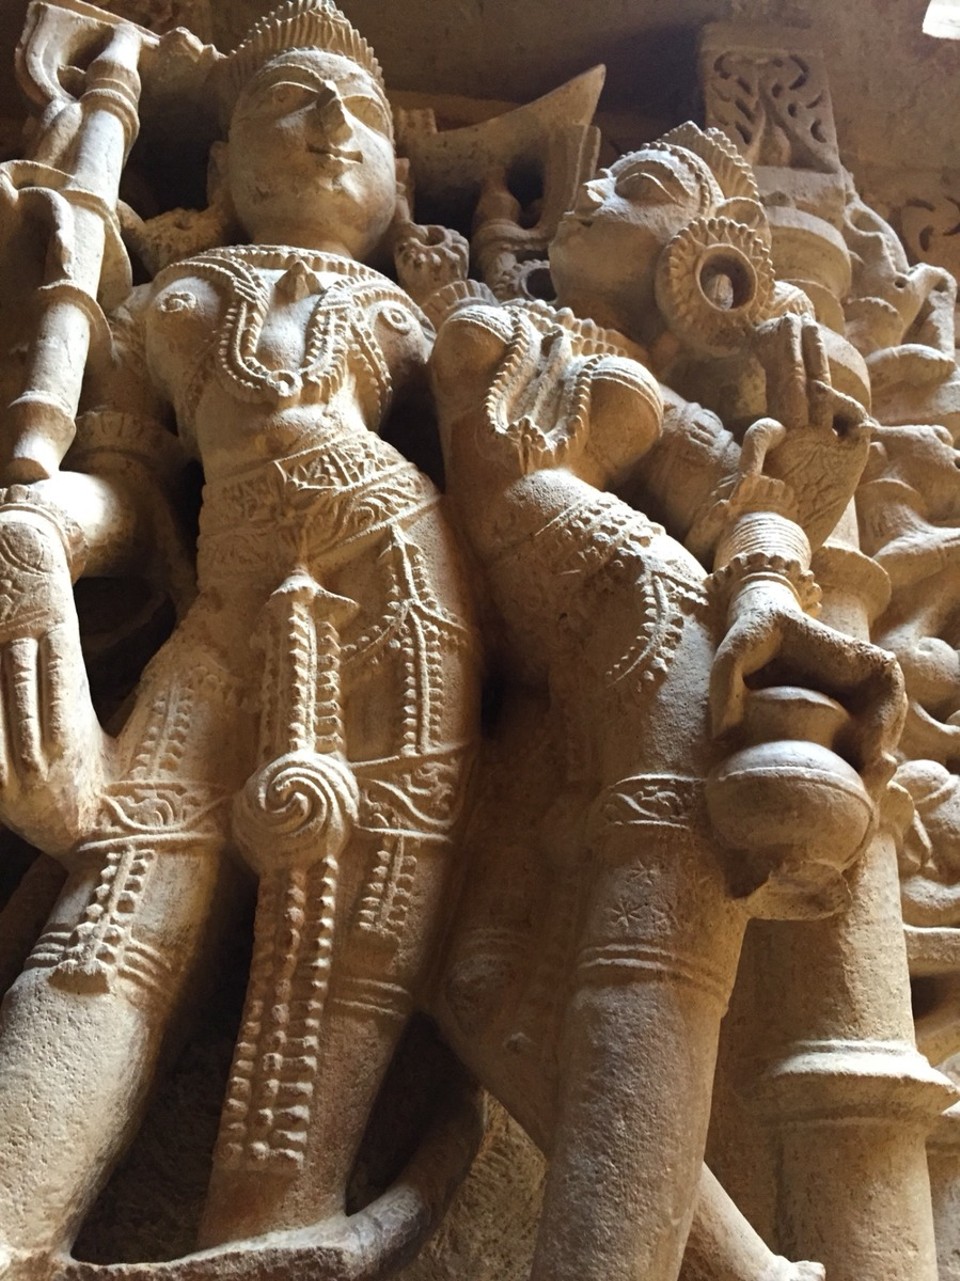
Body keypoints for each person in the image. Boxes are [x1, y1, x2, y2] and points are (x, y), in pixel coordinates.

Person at [0, 1, 478, 1270]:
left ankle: (265, 1229)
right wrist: (46, 530)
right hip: (221, 603)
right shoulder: (167, 298)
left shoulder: (422, 317)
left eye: (362, 116)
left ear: (400, 184)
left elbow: (503, 489)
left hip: (398, 584)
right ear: (215, 171)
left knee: (339, 943)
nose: (330, 128)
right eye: (287, 104)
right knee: (112, 911)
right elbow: (132, 484)